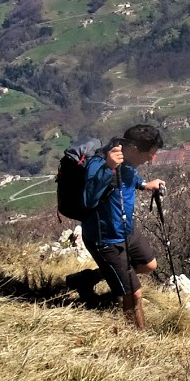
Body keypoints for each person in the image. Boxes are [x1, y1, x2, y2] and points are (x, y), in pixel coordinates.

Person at [80, 124, 165, 330]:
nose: (151, 159)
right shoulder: (100, 163)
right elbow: (87, 200)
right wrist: (107, 169)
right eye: (150, 154)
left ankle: (89, 279)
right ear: (135, 149)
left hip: (126, 230)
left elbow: (129, 177)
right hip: (106, 239)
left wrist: (144, 184)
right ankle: (139, 339)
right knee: (133, 294)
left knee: (149, 265)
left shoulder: (128, 160)